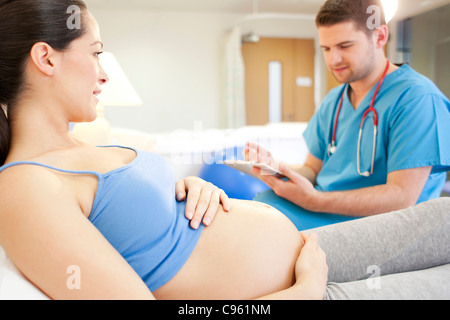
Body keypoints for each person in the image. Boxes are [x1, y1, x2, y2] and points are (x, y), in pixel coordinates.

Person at [0, 0, 448, 300]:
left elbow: (141, 225)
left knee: (444, 220)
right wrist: (301, 294)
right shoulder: (23, 186)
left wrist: (188, 189)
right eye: (95, 53)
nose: (104, 74)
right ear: (46, 58)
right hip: (294, 289)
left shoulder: (79, 147)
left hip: (307, 250)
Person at [245, 0, 450, 231]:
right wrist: (281, 170)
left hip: (382, 226)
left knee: (261, 227)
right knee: (258, 206)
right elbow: (313, 169)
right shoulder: (334, 100)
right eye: (327, 48)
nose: (334, 60)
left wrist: (314, 200)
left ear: (380, 37)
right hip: (326, 208)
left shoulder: (417, 99)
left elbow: (402, 198)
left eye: (345, 46)